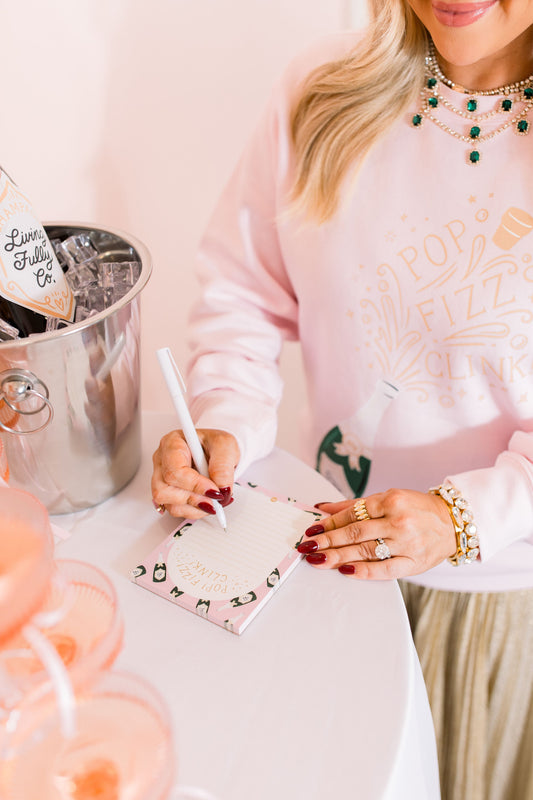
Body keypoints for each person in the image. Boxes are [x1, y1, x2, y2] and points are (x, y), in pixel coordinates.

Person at [151, 2, 533, 797]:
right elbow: (245, 294)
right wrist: (222, 417)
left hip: (492, 603)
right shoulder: (323, 93)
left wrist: (459, 519)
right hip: (316, 552)